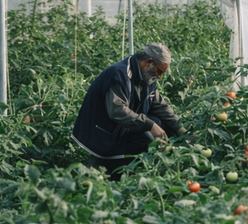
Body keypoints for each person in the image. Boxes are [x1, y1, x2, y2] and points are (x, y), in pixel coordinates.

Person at [73, 43, 186, 179]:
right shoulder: (119, 74)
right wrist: (149, 125)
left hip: (123, 128)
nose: (160, 77)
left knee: (160, 124)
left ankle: (128, 170)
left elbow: (159, 105)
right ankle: (117, 173)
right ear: (149, 62)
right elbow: (118, 111)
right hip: (102, 131)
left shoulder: (147, 76)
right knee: (148, 134)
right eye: (160, 72)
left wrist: (180, 129)